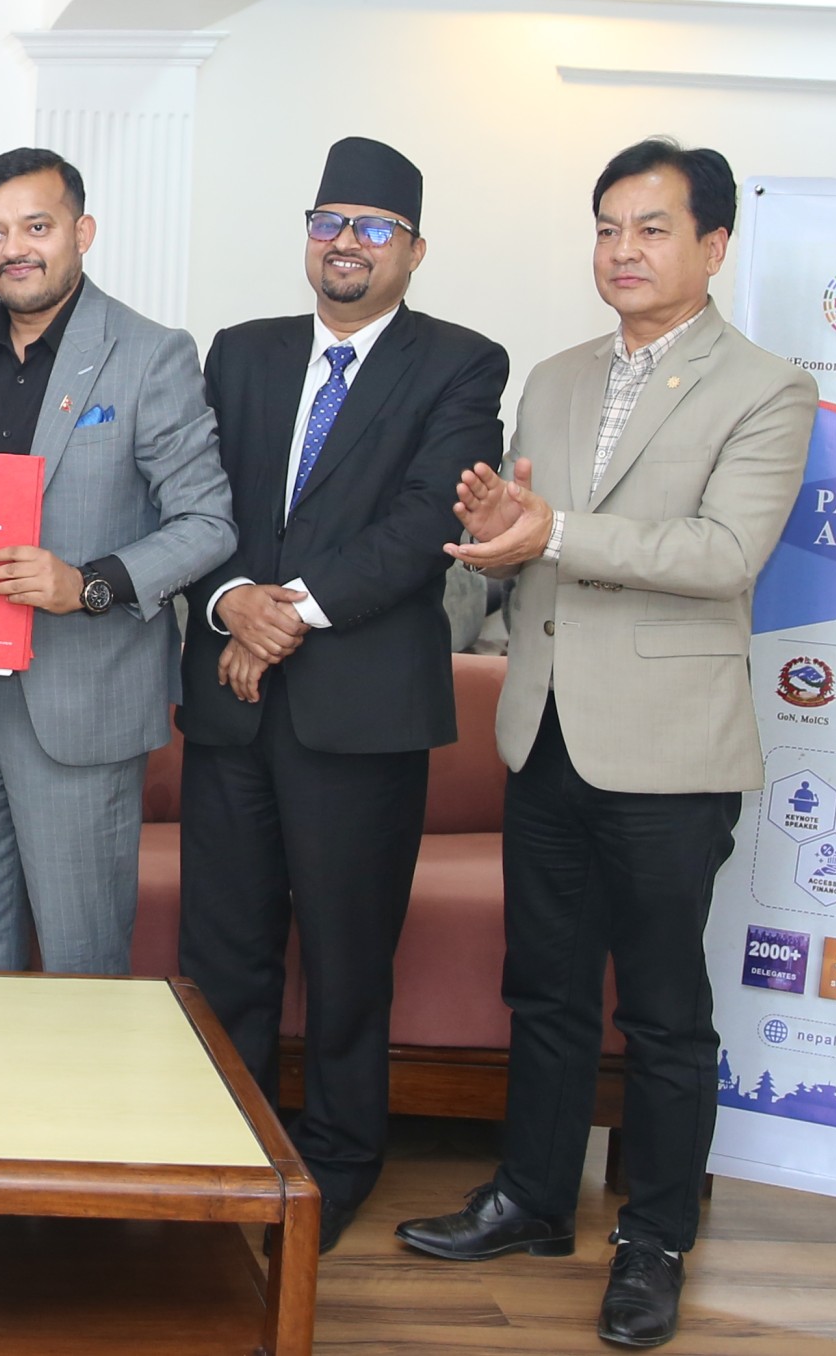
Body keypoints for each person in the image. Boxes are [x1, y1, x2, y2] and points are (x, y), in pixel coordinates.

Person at [395, 139, 816, 1351]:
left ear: (714, 246)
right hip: (544, 730)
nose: (623, 251)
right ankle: (533, 1198)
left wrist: (552, 531)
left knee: (667, 1011)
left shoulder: (768, 388)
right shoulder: (558, 375)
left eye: (652, 228)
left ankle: (655, 1239)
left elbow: (723, 555)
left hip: (669, 749)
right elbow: (524, 538)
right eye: (607, 227)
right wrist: (492, 530)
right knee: (546, 987)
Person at [177, 138, 508, 1254]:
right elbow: (200, 501)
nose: (347, 243)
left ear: (414, 249)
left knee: (348, 958)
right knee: (226, 954)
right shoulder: (243, 352)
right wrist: (233, 602)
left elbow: (426, 523)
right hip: (231, 706)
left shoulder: (461, 363)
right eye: (329, 222)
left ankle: (338, 1161)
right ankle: (225, 1150)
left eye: (374, 227)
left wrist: (290, 615)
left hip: (360, 716)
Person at [0, 147, 232, 977]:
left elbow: (206, 523)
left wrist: (87, 584)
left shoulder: (150, 353)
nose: (14, 249)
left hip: (80, 695)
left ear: (82, 232)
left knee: (81, 962)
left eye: (36, 227)